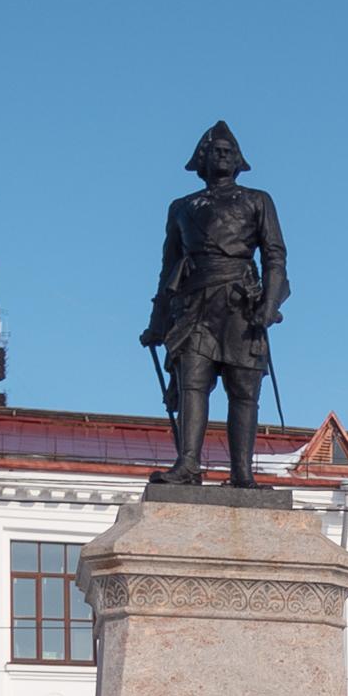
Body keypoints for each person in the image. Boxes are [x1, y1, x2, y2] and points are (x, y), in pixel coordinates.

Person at [141, 121, 288, 487]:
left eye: (228, 150)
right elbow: (168, 267)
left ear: (238, 160)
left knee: (243, 388)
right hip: (193, 305)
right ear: (201, 160)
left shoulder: (258, 200)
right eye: (214, 150)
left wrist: (269, 304)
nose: (221, 155)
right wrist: (157, 323)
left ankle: (242, 473)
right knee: (192, 381)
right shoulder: (182, 207)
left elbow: (274, 256)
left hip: (241, 303)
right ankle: (188, 464)